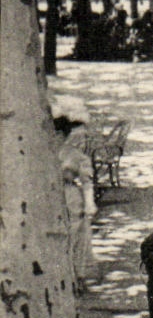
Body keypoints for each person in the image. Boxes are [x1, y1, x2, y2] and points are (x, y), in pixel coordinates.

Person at [53, 100, 97, 286]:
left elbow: (87, 181)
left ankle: (76, 276)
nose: (56, 137)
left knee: (75, 236)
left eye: (59, 133)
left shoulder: (73, 154)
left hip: (70, 196)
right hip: (50, 197)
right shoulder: (42, 152)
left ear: (64, 134)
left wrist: (89, 202)